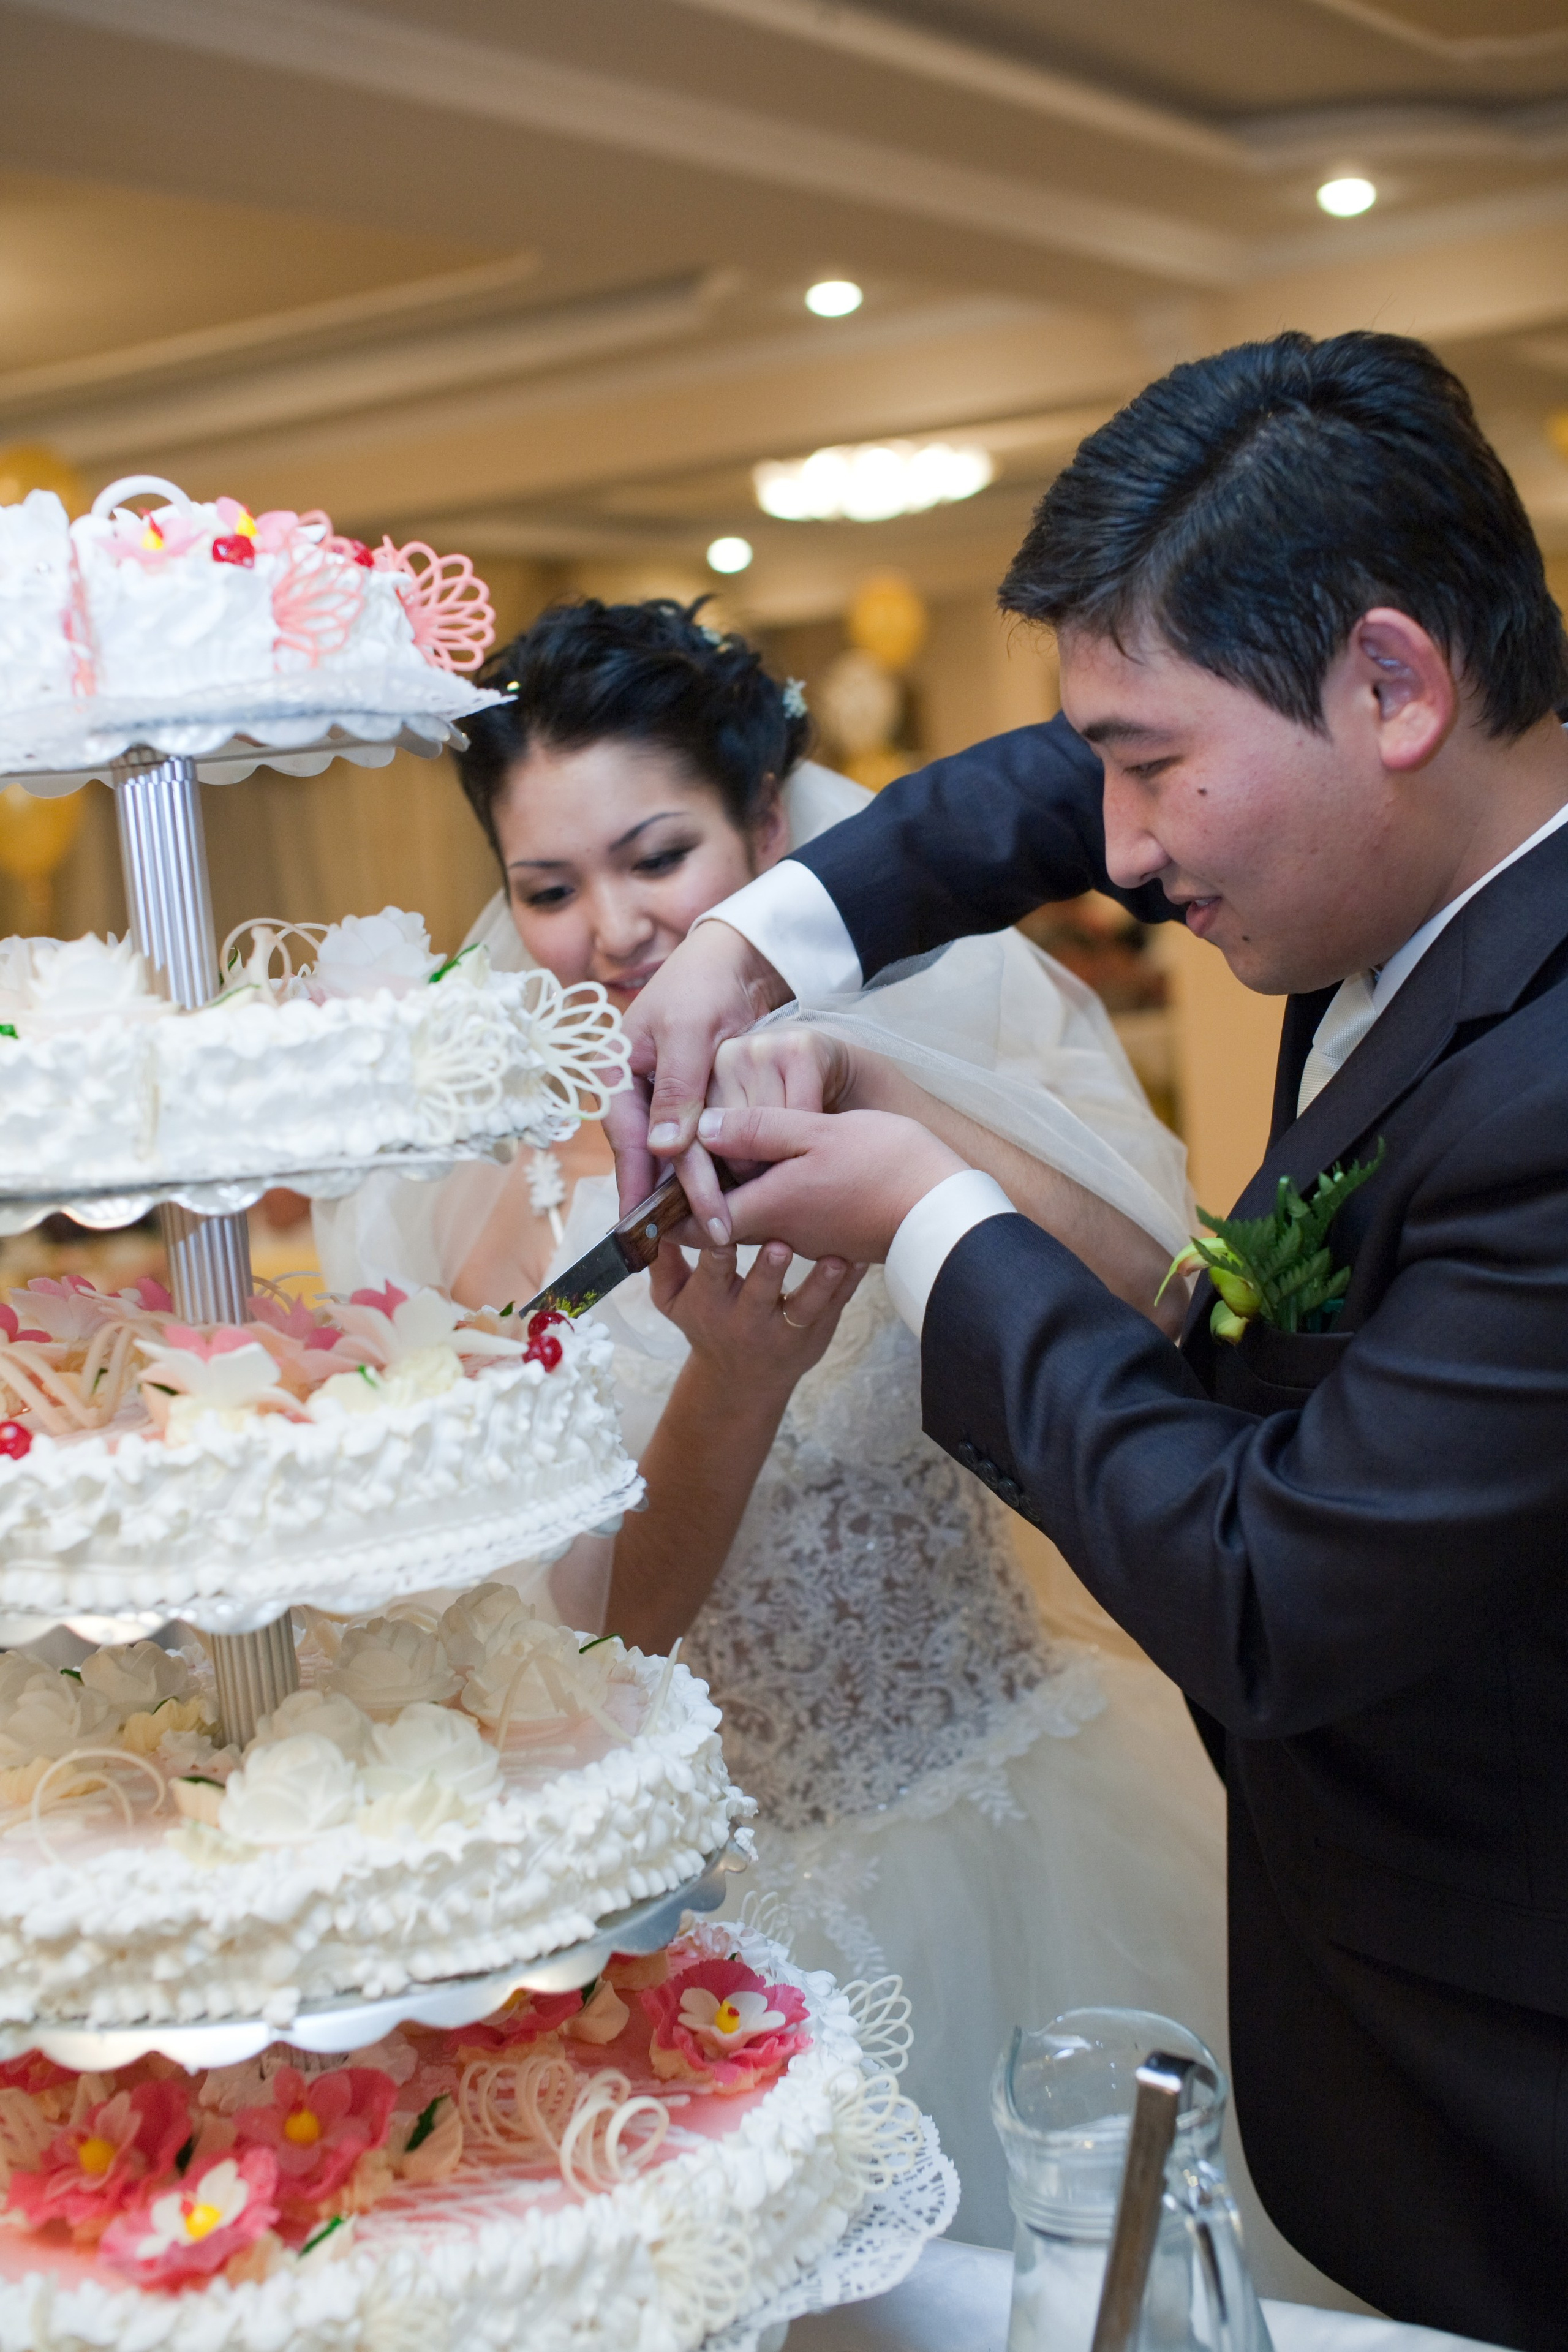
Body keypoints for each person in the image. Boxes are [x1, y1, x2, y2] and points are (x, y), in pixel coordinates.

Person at [609, 332, 1568, 2347]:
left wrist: (928, 1214)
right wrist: (746, 934)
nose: (1120, 850)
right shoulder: (1438, 851)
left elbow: (1272, 1584)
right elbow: (1038, 791)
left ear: (1395, 685)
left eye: (1154, 766)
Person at [316, 597, 1313, 2266]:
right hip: (705, 1914)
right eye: (547, 890)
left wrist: (885, 1099)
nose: (613, 930)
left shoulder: (954, 1018)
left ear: (768, 836)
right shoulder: (488, 1204)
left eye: (658, 858)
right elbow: (599, 1641)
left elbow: (1171, 1315)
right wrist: (733, 1386)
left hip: (1019, 1825)